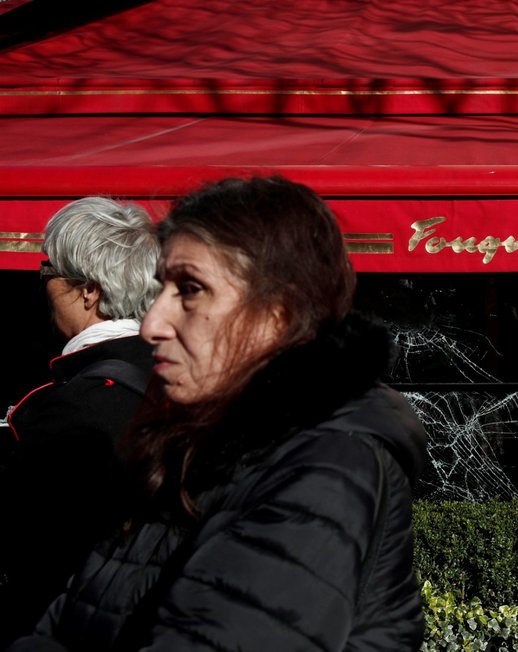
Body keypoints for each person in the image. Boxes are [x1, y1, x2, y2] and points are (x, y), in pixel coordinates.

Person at [7, 176, 428, 651]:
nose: (152, 323)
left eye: (190, 288)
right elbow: (71, 618)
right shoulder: (189, 440)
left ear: (276, 313)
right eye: (162, 286)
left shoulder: (326, 463)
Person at [0, 197, 160, 646]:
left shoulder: (70, 409)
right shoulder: (188, 380)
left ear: (89, 291)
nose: (43, 286)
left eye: (48, 272)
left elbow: (35, 558)